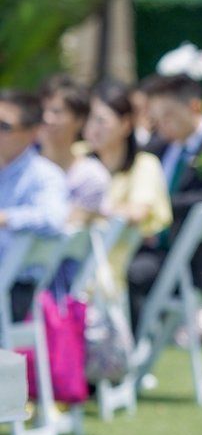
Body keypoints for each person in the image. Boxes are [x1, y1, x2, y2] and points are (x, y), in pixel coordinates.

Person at [128, 73, 202, 329]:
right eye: (156, 119)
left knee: (130, 274)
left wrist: (165, 205)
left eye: (168, 116)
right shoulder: (158, 147)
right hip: (142, 243)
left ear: (193, 107)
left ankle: (131, 348)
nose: (162, 125)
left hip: (186, 256)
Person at [84, 81, 172, 284]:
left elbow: (138, 211)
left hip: (128, 254)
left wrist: (91, 211)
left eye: (100, 120)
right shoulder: (80, 158)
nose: (91, 128)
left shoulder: (144, 164)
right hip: (82, 254)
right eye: (88, 118)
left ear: (125, 124)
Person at [0, 90, 68, 318]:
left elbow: (54, 218)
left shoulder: (44, 175)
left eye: (4, 126)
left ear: (33, 132)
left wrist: (7, 218)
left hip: (15, 289)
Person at [38, 77, 111, 223]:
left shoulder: (91, 176)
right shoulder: (16, 165)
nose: (47, 118)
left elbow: (67, 230)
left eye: (56, 112)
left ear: (80, 120)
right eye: (42, 110)